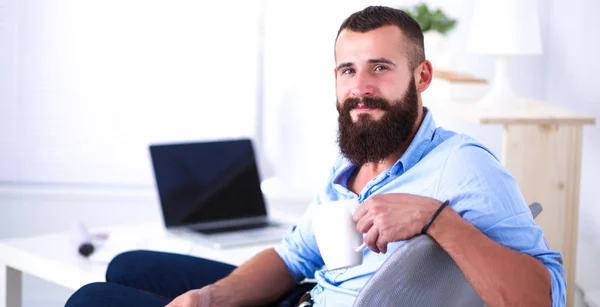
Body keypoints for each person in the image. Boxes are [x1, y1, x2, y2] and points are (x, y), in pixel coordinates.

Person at [66, 6, 565, 307]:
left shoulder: (465, 167)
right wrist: (212, 297)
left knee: (91, 300)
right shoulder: (352, 158)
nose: (360, 88)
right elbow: (294, 256)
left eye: (379, 68)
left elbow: (545, 298)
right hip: (305, 293)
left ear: (422, 76)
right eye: (347, 70)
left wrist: (437, 218)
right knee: (130, 267)